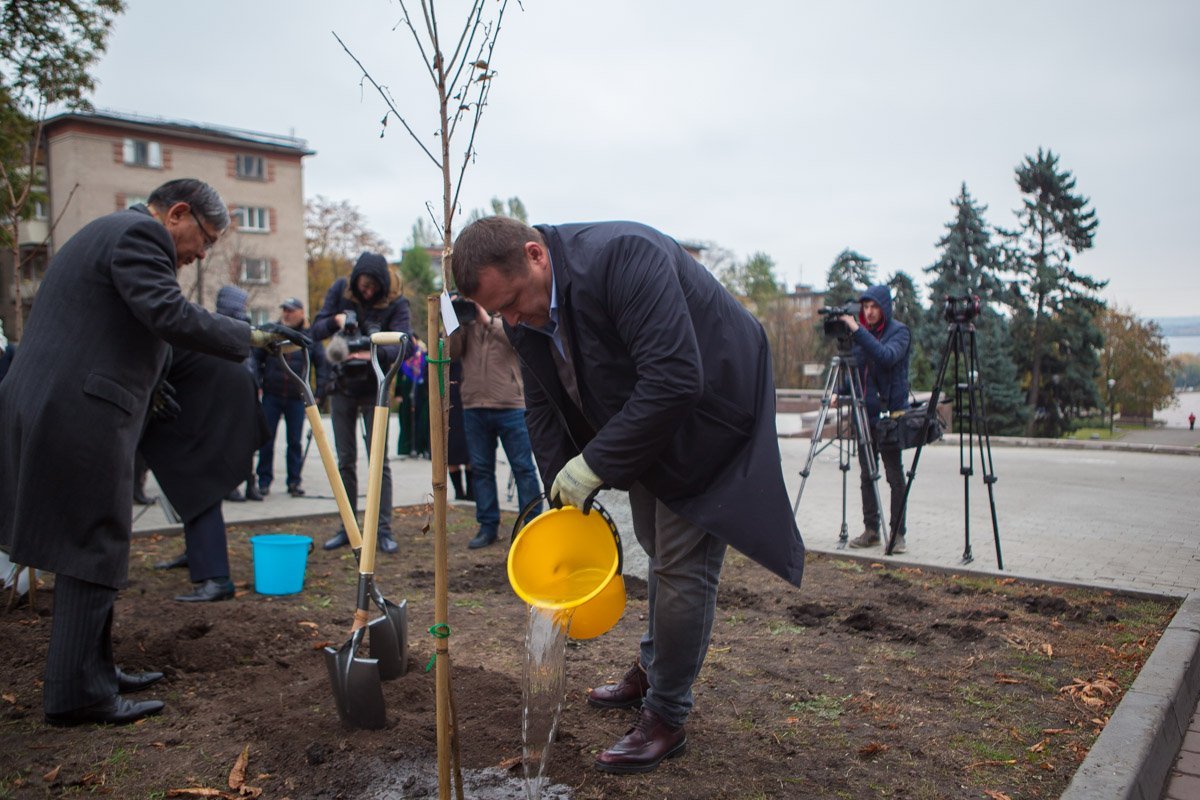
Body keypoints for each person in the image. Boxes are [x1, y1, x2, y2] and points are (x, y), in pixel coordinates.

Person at [452, 217, 804, 774]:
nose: (512, 321)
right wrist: (555, 490)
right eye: (502, 313)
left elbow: (675, 377)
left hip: (713, 404)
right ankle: (654, 667)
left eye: (515, 302)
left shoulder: (624, 257)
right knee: (653, 542)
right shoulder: (523, 307)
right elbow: (542, 402)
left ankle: (666, 714)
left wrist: (594, 463)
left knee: (682, 566)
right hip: (644, 414)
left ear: (536, 255)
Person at [0, 178, 307, 727]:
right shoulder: (140, 234)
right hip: (80, 410)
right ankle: (77, 694)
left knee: (92, 543)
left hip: (66, 403)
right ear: (178, 215)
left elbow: (132, 324)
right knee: (93, 542)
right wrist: (252, 337)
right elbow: (166, 314)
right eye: (204, 239)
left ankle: (93, 672)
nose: (200, 255)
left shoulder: (110, 233)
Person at [140, 345, 269, 601]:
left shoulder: (139, 319)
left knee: (198, 476)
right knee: (180, 469)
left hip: (219, 391)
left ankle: (216, 578)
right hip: (204, 386)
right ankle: (198, 553)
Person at [311, 252, 410, 554]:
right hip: (341, 385)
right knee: (344, 460)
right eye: (362, 286)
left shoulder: (397, 302)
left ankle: (382, 530)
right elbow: (315, 331)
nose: (366, 292)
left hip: (375, 387)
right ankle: (347, 527)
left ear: (381, 286)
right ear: (355, 282)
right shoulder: (341, 290)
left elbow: (403, 344)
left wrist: (373, 348)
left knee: (378, 460)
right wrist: (338, 320)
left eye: (371, 288)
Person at [448, 298, 542, 549]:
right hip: (474, 407)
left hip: (510, 405)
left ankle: (533, 526)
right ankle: (487, 526)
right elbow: (451, 353)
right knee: (480, 469)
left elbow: (518, 342)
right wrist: (453, 322)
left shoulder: (508, 314)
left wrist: (487, 321)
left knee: (523, 467)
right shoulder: (465, 327)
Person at [838, 285, 912, 554]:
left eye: (873, 307)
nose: (868, 313)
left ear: (884, 308)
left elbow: (886, 357)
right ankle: (871, 531)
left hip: (890, 416)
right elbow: (857, 372)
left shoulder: (899, 333)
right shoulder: (863, 336)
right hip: (864, 415)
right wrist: (839, 391)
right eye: (865, 307)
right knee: (867, 475)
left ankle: (898, 533)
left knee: (894, 476)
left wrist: (858, 332)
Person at [255, 297, 330, 497]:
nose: (286, 314)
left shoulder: (310, 336)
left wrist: (320, 392)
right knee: (266, 439)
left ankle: (294, 482)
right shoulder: (273, 332)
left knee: (294, 441)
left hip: (297, 396)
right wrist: (257, 383)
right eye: (284, 310)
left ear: (300, 312)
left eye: (290, 310)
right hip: (272, 394)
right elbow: (256, 358)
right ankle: (263, 481)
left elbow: (321, 365)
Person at [217, 285, 264, 503]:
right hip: (226, 393)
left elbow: (253, 359)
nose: (245, 308)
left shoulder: (246, 328)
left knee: (249, 439)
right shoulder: (219, 328)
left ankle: (250, 483)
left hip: (248, 389)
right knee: (229, 441)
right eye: (242, 304)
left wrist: (257, 383)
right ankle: (230, 484)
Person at [396, 333, 430, 458]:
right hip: (407, 393)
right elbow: (399, 375)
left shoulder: (422, 355)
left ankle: (423, 447)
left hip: (422, 392)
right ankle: (407, 447)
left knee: (423, 421)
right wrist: (397, 393)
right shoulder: (404, 357)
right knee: (406, 420)